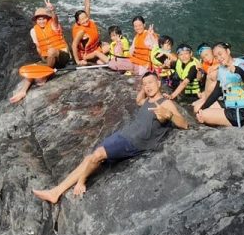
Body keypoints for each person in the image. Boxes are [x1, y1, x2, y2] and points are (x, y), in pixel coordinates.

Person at [31, 72, 190, 204]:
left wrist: (169, 115)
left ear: (159, 82)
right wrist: (146, 86)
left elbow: (184, 124)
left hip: (133, 142)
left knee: (97, 156)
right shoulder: (147, 100)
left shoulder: (166, 103)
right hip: (123, 135)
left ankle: (81, 181)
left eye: (151, 83)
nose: (147, 86)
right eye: (144, 84)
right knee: (89, 158)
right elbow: (138, 100)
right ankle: (56, 192)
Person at [9, 0, 67, 104]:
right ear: (36, 20)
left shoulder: (53, 25)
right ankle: (22, 92)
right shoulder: (33, 31)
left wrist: (52, 10)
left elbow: (55, 19)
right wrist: (43, 60)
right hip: (49, 58)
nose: (41, 21)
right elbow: (38, 48)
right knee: (33, 69)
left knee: (51, 50)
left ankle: (45, 75)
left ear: (47, 18)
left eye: (43, 19)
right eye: (39, 19)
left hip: (62, 55)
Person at [194, 42, 244, 128]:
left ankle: (228, 122)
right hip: (229, 103)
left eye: (220, 54)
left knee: (203, 115)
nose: (219, 58)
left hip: (241, 111)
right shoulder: (221, 68)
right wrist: (203, 108)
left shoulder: (241, 65)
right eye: (216, 56)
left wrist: (238, 71)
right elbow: (217, 92)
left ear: (228, 51)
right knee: (197, 109)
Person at [71, 0, 103, 65]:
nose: (85, 20)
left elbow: (87, 6)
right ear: (78, 22)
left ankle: (99, 61)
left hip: (94, 49)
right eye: (82, 19)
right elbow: (74, 45)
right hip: (86, 55)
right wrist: (78, 61)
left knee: (108, 45)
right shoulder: (81, 31)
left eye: (86, 17)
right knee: (104, 50)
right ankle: (110, 64)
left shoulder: (87, 21)